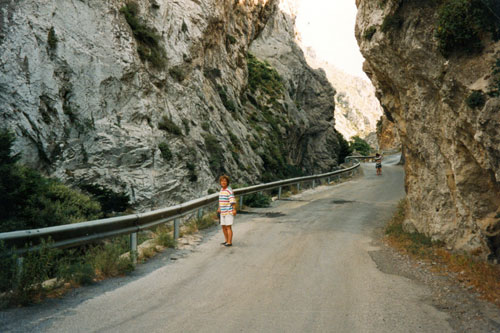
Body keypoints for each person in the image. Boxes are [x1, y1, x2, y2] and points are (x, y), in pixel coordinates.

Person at [217, 174, 236, 247]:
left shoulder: (229, 190)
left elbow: (232, 201)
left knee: (228, 227)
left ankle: (229, 242)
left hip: (228, 211)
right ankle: (226, 240)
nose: (223, 182)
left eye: (225, 181)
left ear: (227, 182)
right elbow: (221, 200)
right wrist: (219, 207)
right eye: (222, 181)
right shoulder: (221, 189)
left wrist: (234, 209)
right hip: (222, 211)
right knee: (223, 227)